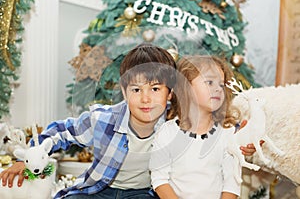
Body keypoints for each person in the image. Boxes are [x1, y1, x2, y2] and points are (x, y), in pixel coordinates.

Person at [0, 44, 256, 199]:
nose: (146, 99)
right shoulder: (103, 120)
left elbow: (211, 126)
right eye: (136, 90)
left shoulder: (175, 123)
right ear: (124, 92)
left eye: (155, 89)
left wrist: (240, 139)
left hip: (142, 194)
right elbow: (61, 132)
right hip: (99, 189)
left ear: (170, 93)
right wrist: (28, 157)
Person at [149, 55, 244, 199]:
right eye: (210, 82)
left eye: (221, 85)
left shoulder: (227, 134)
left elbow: (232, 184)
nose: (218, 89)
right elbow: (160, 180)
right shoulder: (167, 133)